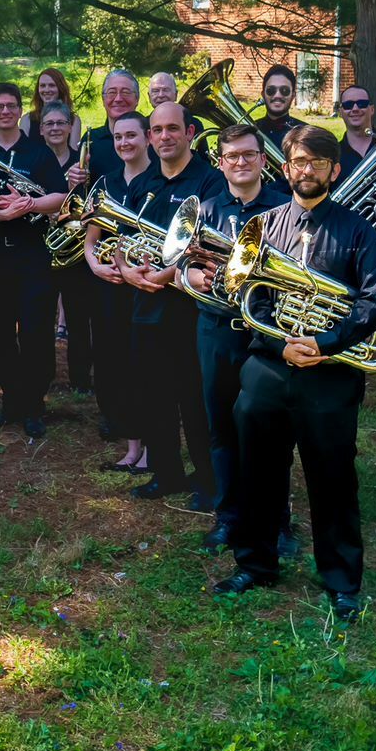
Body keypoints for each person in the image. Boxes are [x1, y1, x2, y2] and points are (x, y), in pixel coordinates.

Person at [216, 125, 376, 622]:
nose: (307, 170)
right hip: (269, 369)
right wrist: (284, 343)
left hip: (330, 373)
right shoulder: (263, 226)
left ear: (334, 171)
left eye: (318, 163)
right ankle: (254, 564)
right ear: (286, 166)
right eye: (299, 161)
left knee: (333, 478)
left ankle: (341, 581)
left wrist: (325, 343)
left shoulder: (360, 231)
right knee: (257, 471)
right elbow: (250, 297)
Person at [116, 102, 225, 503]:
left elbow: (211, 247)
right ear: (149, 137)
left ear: (190, 132)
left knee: (196, 400)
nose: (164, 137)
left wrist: (166, 274)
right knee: (154, 395)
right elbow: (123, 237)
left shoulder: (211, 182)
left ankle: (208, 479)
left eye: (172, 129)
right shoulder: (142, 182)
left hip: (189, 309)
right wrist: (126, 270)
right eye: (157, 130)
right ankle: (166, 474)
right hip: (145, 306)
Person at [186, 123, 288, 551]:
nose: (241, 163)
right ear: (222, 163)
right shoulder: (206, 211)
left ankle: (276, 523)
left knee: (271, 431)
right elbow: (182, 265)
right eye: (233, 157)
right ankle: (228, 517)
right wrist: (192, 275)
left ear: (263, 160)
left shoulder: (285, 208)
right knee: (221, 428)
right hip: (216, 331)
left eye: (249, 155)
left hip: (265, 336)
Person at [0, 82, 68, 438]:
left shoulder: (39, 152)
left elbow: (60, 197)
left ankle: (34, 404)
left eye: (11, 105)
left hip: (33, 254)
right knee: (1, 331)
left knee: (36, 331)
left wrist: (28, 204)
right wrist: (3, 214)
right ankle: (10, 401)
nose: (5, 111)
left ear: (19, 110)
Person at [84, 110, 153, 468]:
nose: (125, 143)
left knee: (148, 367)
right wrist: (95, 263)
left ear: (147, 138)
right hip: (110, 285)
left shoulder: (161, 181)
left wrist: (130, 270)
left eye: (131, 136)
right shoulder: (106, 183)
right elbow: (91, 239)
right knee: (117, 366)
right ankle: (132, 446)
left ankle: (155, 447)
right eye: (118, 137)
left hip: (147, 287)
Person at [41, 101, 93, 394]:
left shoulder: (83, 161)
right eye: (50, 124)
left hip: (74, 251)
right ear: (41, 130)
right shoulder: (35, 160)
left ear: (71, 127)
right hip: (41, 250)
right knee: (41, 316)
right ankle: (44, 375)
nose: (56, 128)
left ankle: (80, 379)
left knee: (78, 315)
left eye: (61, 123)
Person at [67, 69, 142, 191]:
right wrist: (74, 181)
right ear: (103, 100)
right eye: (111, 92)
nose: (118, 98)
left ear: (137, 99)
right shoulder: (91, 139)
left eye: (126, 92)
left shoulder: (151, 137)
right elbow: (79, 193)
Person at [22, 67, 84, 148]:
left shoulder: (74, 120)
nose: (46, 90)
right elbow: (23, 154)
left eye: (51, 85)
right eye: (42, 86)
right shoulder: (27, 120)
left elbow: (74, 153)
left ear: (60, 88)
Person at [256, 65, 302, 155]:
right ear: (263, 94)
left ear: (293, 96)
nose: (277, 95)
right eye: (271, 90)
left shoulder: (305, 133)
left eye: (284, 90)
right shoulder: (251, 131)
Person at [336, 87, 376, 178]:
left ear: (372, 109)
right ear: (340, 112)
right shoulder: (333, 154)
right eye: (348, 105)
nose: (355, 109)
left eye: (361, 104)